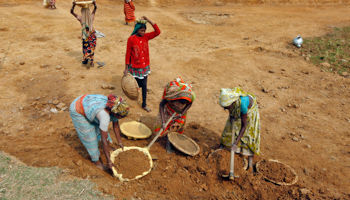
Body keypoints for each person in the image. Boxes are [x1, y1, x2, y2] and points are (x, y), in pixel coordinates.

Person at [69, 94, 129, 171]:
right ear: (115, 113)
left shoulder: (115, 105)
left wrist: (120, 142)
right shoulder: (104, 116)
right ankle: (96, 162)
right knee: (89, 137)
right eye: (121, 117)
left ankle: (107, 148)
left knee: (100, 128)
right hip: (78, 109)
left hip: (89, 103)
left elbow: (116, 125)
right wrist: (108, 162)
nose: (122, 118)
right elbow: (103, 141)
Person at [124, 16, 161, 112]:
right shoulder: (131, 39)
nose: (143, 32)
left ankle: (144, 104)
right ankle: (131, 100)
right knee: (134, 86)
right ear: (137, 30)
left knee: (144, 85)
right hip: (135, 67)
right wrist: (126, 68)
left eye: (144, 30)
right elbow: (128, 54)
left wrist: (149, 20)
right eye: (141, 30)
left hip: (144, 67)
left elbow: (158, 32)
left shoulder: (146, 37)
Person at [218, 87, 261, 171]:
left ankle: (250, 163)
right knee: (229, 128)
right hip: (239, 108)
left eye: (227, 107)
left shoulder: (243, 105)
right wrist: (231, 116)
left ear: (233, 103)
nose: (225, 109)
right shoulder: (232, 102)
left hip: (250, 111)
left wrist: (235, 144)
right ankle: (226, 149)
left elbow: (244, 126)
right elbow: (232, 110)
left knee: (249, 135)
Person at [154, 77, 195, 154]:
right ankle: (167, 140)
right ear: (176, 99)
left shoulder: (190, 96)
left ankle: (170, 141)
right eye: (181, 102)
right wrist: (163, 122)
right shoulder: (171, 94)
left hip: (180, 112)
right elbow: (161, 105)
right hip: (169, 109)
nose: (182, 104)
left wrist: (181, 114)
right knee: (164, 127)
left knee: (176, 126)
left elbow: (189, 104)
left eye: (184, 103)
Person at [71, 1, 97, 67]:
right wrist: (94, 3)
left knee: (86, 47)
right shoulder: (91, 17)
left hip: (85, 34)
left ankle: (86, 60)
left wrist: (74, 5)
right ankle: (92, 63)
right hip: (92, 34)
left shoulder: (80, 18)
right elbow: (95, 9)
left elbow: (71, 12)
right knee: (92, 48)